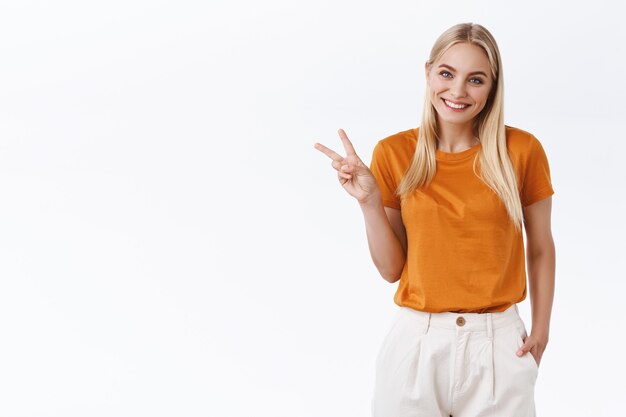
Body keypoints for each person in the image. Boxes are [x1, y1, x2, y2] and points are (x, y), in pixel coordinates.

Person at [314, 22, 555, 417]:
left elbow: (541, 247)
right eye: (447, 73)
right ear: (428, 72)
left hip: (499, 346)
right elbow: (392, 269)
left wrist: (542, 330)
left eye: (475, 80)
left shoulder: (522, 152)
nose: (457, 91)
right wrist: (369, 203)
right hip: (416, 346)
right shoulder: (394, 153)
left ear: (493, 86)